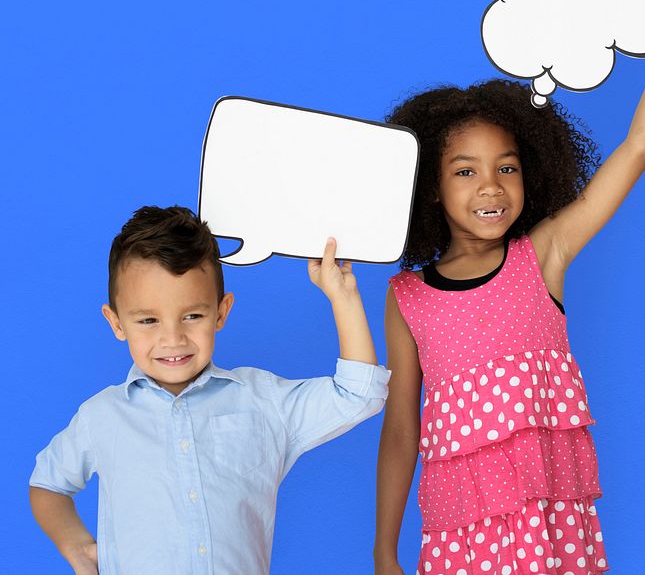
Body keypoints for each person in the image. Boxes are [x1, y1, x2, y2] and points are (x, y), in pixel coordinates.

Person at [373, 0, 645, 574]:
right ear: (430, 187)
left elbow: (638, 147)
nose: (490, 187)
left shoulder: (542, 255)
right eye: (465, 171)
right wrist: (383, 551)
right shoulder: (407, 298)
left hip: (551, 532)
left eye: (507, 167)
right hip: (458, 537)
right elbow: (400, 432)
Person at [29, 205, 389, 574]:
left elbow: (357, 394)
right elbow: (47, 485)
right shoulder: (100, 416)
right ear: (117, 322)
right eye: (148, 320)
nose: (173, 338)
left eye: (192, 316)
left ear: (221, 311)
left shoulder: (262, 400)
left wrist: (342, 296)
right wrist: (75, 546)